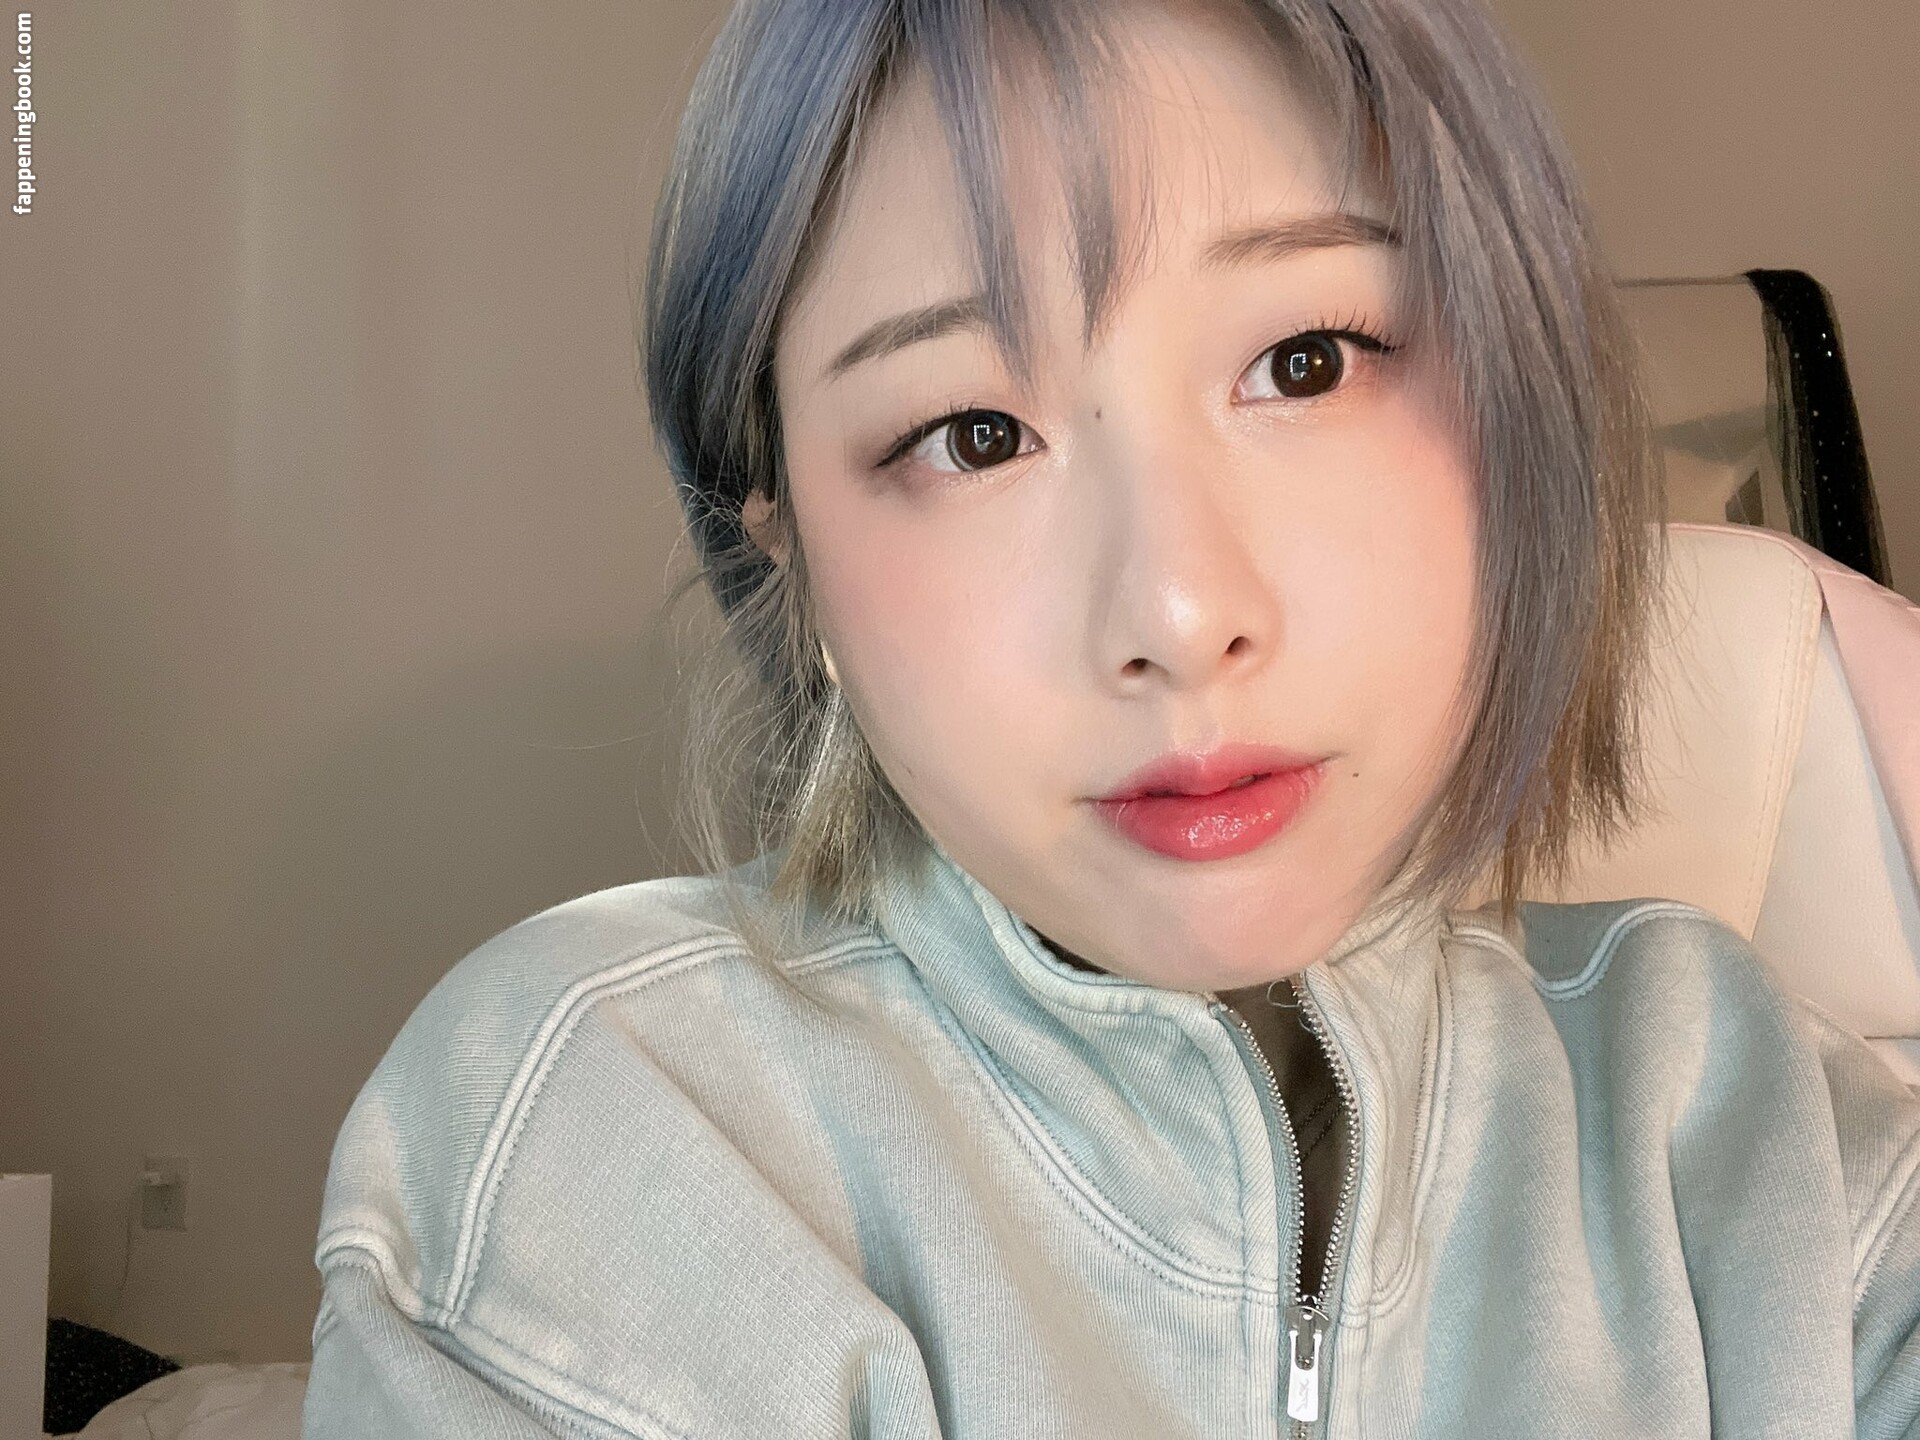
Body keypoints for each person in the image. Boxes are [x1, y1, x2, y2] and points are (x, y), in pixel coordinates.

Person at [301, 0, 1920, 1434]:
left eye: (1307, 362)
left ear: (1517, 401)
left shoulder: (1760, 1135)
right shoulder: (612, 1140)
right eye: (973, 436)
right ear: (796, 565)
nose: (1178, 613)